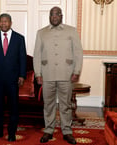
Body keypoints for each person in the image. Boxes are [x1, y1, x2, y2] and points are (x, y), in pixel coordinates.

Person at [33, 6, 83, 144]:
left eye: (57, 15)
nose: (54, 17)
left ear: (61, 16)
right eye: (51, 15)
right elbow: (37, 55)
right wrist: (38, 73)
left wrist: (76, 71)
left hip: (66, 75)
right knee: (48, 105)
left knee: (65, 105)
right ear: (49, 17)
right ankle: (48, 130)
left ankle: (67, 131)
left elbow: (78, 52)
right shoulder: (41, 33)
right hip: (47, 74)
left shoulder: (71, 31)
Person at [0, 13, 27, 142]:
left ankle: (12, 133)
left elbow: (22, 59)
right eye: (1, 21)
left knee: (13, 108)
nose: (3, 23)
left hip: (13, 80)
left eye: (6, 21)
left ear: (10, 23)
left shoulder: (19, 38)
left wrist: (22, 75)